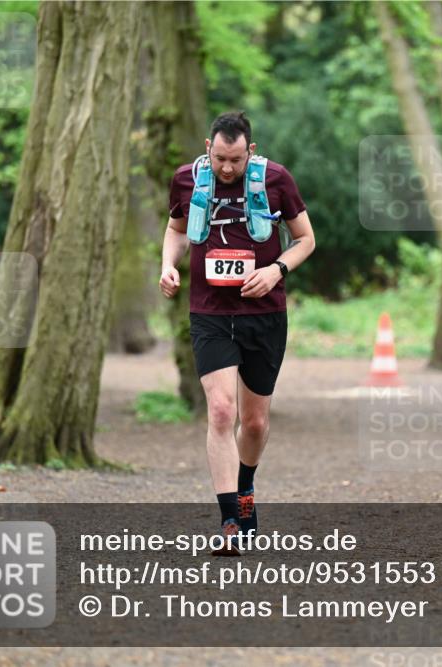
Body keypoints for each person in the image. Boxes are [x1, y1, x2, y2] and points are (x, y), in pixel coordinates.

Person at [159, 111, 315, 555]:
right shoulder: (188, 179)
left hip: (263, 312)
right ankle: (230, 519)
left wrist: (275, 269)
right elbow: (175, 230)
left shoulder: (276, 180)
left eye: (236, 159)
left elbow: (306, 240)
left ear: (252, 150)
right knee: (222, 412)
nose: (228, 168)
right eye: (220, 158)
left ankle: (245, 486)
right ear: (208, 148)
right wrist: (167, 265)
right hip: (209, 313)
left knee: (255, 421)